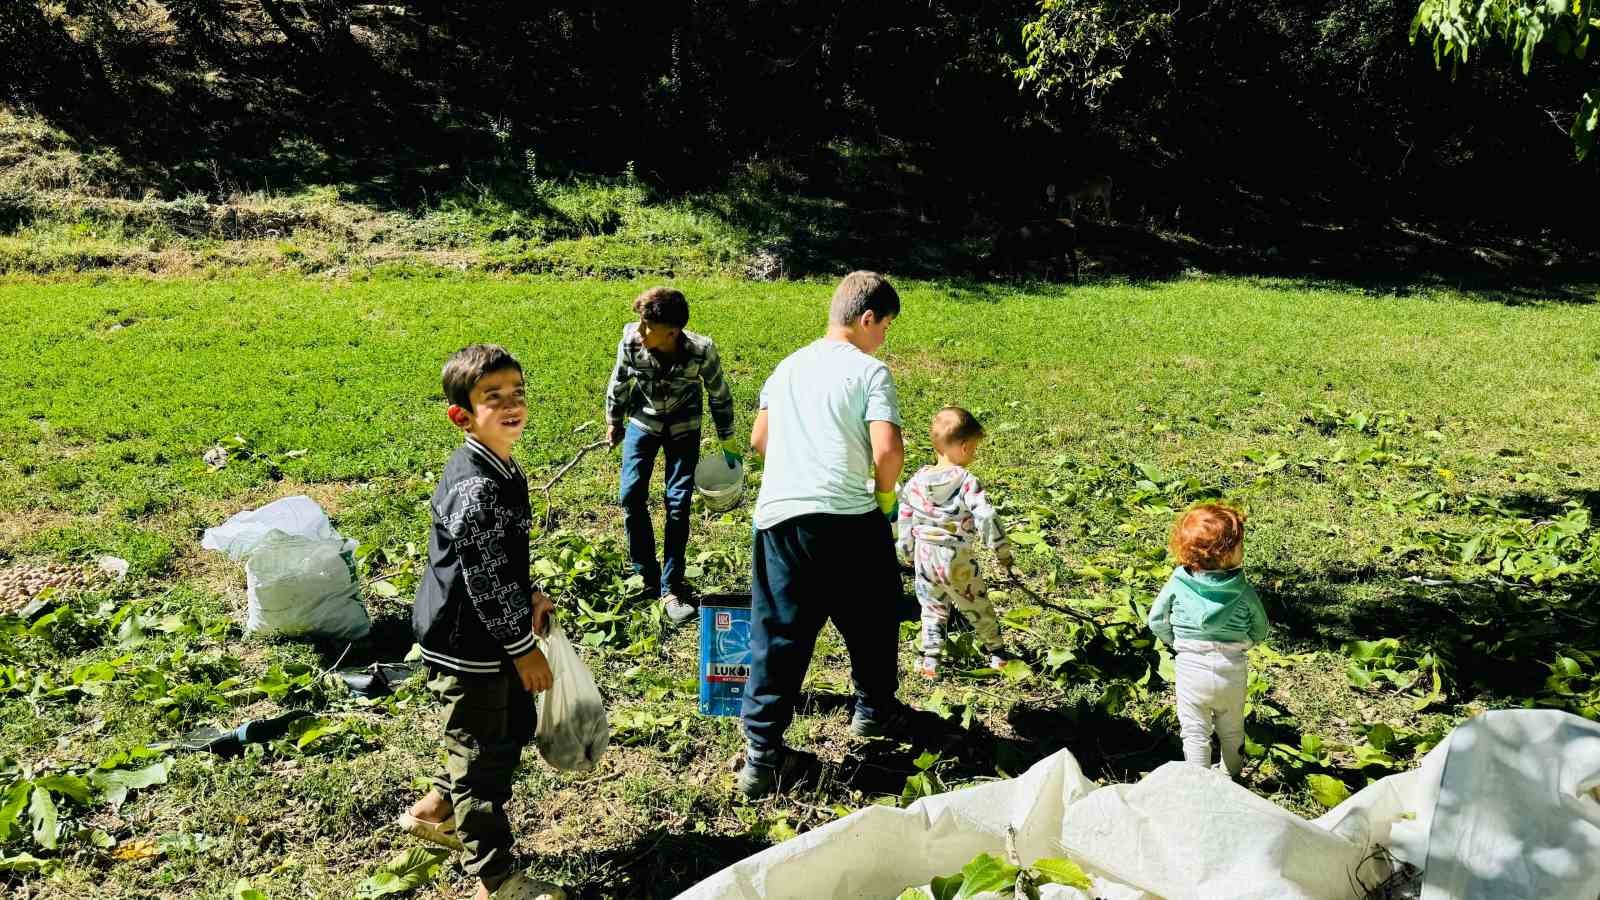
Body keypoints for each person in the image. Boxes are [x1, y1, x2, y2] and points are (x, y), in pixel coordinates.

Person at [737, 271, 911, 799]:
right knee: (875, 616)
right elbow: (888, 452)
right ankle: (873, 711)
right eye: (885, 326)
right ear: (866, 319)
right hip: (847, 515)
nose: (884, 337)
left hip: (780, 517)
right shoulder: (870, 371)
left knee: (778, 632)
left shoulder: (787, 366)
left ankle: (762, 756)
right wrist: (884, 499)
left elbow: (760, 439)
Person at [400, 344, 564, 900]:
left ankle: (434, 812)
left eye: (517, 392)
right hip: (471, 643)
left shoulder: (498, 465)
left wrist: (530, 594)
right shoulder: (477, 487)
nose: (512, 404)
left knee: (500, 731)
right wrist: (523, 648)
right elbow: (485, 582)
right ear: (462, 416)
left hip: (483, 633)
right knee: (483, 764)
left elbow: (497, 563)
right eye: (493, 397)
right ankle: (494, 879)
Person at [603, 287, 739, 626]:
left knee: (677, 502)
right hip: (643, 422)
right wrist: (613, 420)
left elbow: (719, 394)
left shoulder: (701, 351)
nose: (640, 330)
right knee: (630, 495)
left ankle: (671, 587)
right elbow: (619, 381)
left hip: (684, 425)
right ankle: (644, 575)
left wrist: (728, 442)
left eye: (648, 325)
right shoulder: (631, 340)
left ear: (672, 332)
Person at [1146, 503, 1269, 777]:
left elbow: (1156, 619)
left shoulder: (1178, 584)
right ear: (1225, 555)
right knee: (1232, 727)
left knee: (1194, 730)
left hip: (1191, 667)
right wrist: (1245, 643)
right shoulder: (1243, 589)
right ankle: (1231, 775)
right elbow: (1261, 626)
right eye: (1239, 545)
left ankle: (1199, 782)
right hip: (1231, 669)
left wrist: (1175, 642)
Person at [896, 407, 1014, 678]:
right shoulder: (966, 481)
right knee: (976, 603)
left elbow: (905, 515)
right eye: (973, 448)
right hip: (955, 557)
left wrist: (906, 549)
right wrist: (1001, 549)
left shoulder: (916, 481)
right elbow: (986, 515)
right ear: (962, 446)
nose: (973, 454)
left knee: (931, 607)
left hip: (924, 557)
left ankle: (931, 660)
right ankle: (996, 652)